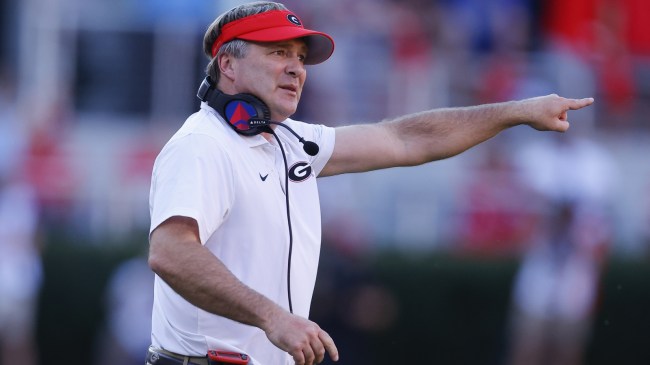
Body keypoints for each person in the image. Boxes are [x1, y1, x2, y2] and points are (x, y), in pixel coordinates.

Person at [146, 2, 595, 365]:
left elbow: (406, 139)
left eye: (300, 58)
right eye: (278, 52)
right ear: (227, 63)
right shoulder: (203, 144)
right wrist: (272, 317)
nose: (296, 69)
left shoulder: (292, 141)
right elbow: (170, 252)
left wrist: (515, 112)